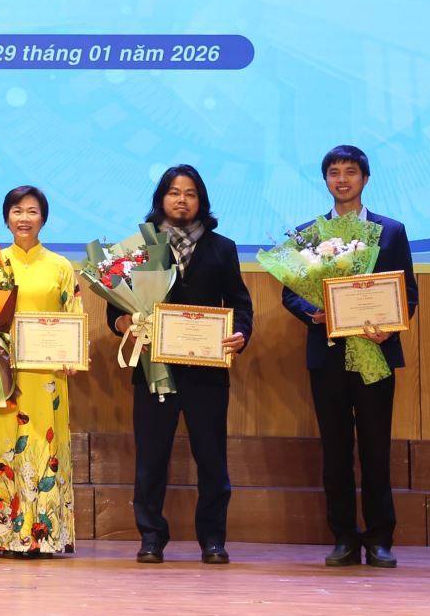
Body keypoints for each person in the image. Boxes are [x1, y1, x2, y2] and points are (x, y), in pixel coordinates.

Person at [281, 145, 419, 570]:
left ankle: (380, 539)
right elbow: (290, 292)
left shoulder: (390, 231)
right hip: (328, 358)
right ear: (325, 180)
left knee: (376, 451)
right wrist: (314, 312)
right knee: (336, 452)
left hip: (375, 352)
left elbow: (408, 293)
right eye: (334, 172)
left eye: (351, 172)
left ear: (365, 179)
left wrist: (390, 326)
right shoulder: (308, 234)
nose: (342, 179)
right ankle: (343, 537)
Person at [109, 164, 253, 564]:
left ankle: (213, 540)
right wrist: (123, 323)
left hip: (207, 371)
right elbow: (114, 308)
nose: (182, 200)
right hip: (154, 368)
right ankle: (151, 537)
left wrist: (241, 333)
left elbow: (240, 304)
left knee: (212, 459)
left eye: (190, 193)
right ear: (162, 198)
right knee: (151, 459)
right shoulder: (139, 247)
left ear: (200, 200)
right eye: (174, 192)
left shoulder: (222, 247)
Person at [0, 185, 80, 557]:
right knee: (6, 443)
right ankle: (3, 535)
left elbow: (73, 317)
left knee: (43, 445)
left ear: (43, 218)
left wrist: (73, 355)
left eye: (32, 211)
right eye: (17, 211)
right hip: (3, 372)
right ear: (7, 218)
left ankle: (45, 534)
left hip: (46, 376)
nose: (24, 218)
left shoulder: (61, 266)